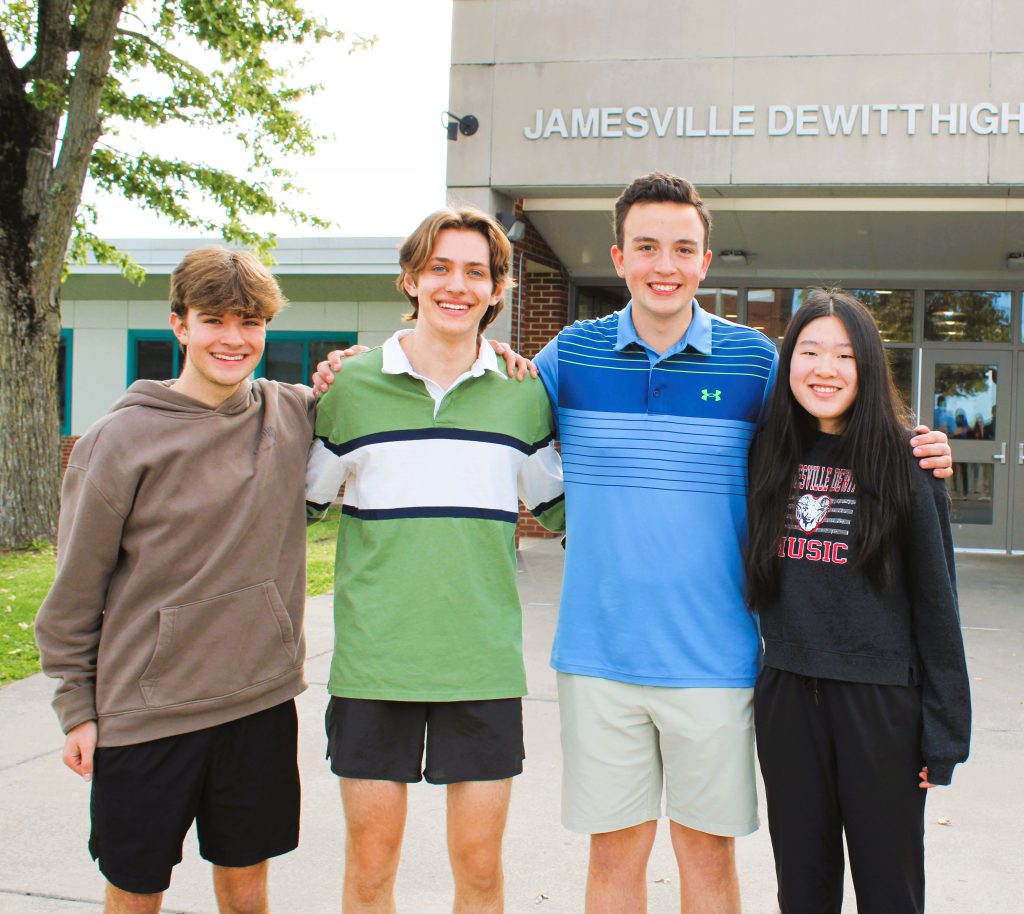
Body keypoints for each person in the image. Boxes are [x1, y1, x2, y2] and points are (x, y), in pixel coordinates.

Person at [312, 174, 952, 914]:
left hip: (716, 659)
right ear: (618, 257)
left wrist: (914, 443)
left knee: (706, 854)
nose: (664, 264)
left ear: (706, 261)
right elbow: (479, 379)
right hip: (599, 659)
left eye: (682, 248)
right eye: (646, 247)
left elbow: (832, 416)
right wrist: (352, 367)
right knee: (615, 855)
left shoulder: (755, 363)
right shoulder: (563, 360)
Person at [35, 247, 317, 914]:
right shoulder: (120, 440)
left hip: (258, 701)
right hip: (146, 713)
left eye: (250, 322)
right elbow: (75, 590)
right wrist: (77, 707)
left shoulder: (294, 414)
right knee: (136, 889)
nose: (234, 338)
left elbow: (394, 384)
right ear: (179, 325)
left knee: (247, 885)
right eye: (214, 319)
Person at [304, 207, 564, 914]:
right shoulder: (351, 389)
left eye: (475, 271)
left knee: (480, 872)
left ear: (497, 289)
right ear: (411, 280)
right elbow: (297, 506)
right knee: (370, 870)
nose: (458, 285)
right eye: (440, 268)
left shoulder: (522, 394)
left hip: (479, 666)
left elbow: (566, 514)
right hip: (373, 665)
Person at [744, 289, 970, 914]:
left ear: (867, 366)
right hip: (789, 697)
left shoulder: (908, 459)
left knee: (888, 889)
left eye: (845, 355)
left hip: (882, 708)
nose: (825, 369)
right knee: (802, 887)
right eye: (810, 351)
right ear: (788, 362)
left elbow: (937, 602)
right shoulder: (768, 452)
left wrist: (944, 733)